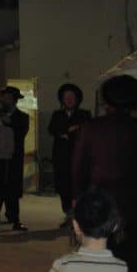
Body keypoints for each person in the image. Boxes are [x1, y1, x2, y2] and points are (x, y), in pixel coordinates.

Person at [72, 74, 137, 272]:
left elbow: (78, 166)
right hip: (132, 197)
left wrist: (76, 196)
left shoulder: (91, 128)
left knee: (99, 249)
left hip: (99, 197)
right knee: (129, 251)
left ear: (107, 102)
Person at [48, 83, 91, 223]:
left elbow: (85, 131)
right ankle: (68, 214)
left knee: (78, 187)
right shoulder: (57, 114)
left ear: (77, 98)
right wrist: (70, 130)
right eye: (66, 97)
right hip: (61, 158)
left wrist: (65, 132)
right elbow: (52, 130)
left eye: (71, 97)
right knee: (63, 187)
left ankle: (78, 216)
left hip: (79, 158)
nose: (69, 99)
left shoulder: (84, 114)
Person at [0, 85, 30, 232]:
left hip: (14, 157)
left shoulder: (23, 117)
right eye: (4, 97)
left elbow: (20, 135)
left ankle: (14, 217)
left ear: (14, 100)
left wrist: (9, 124)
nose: (5, 100)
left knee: (13, 187)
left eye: (8, 98)